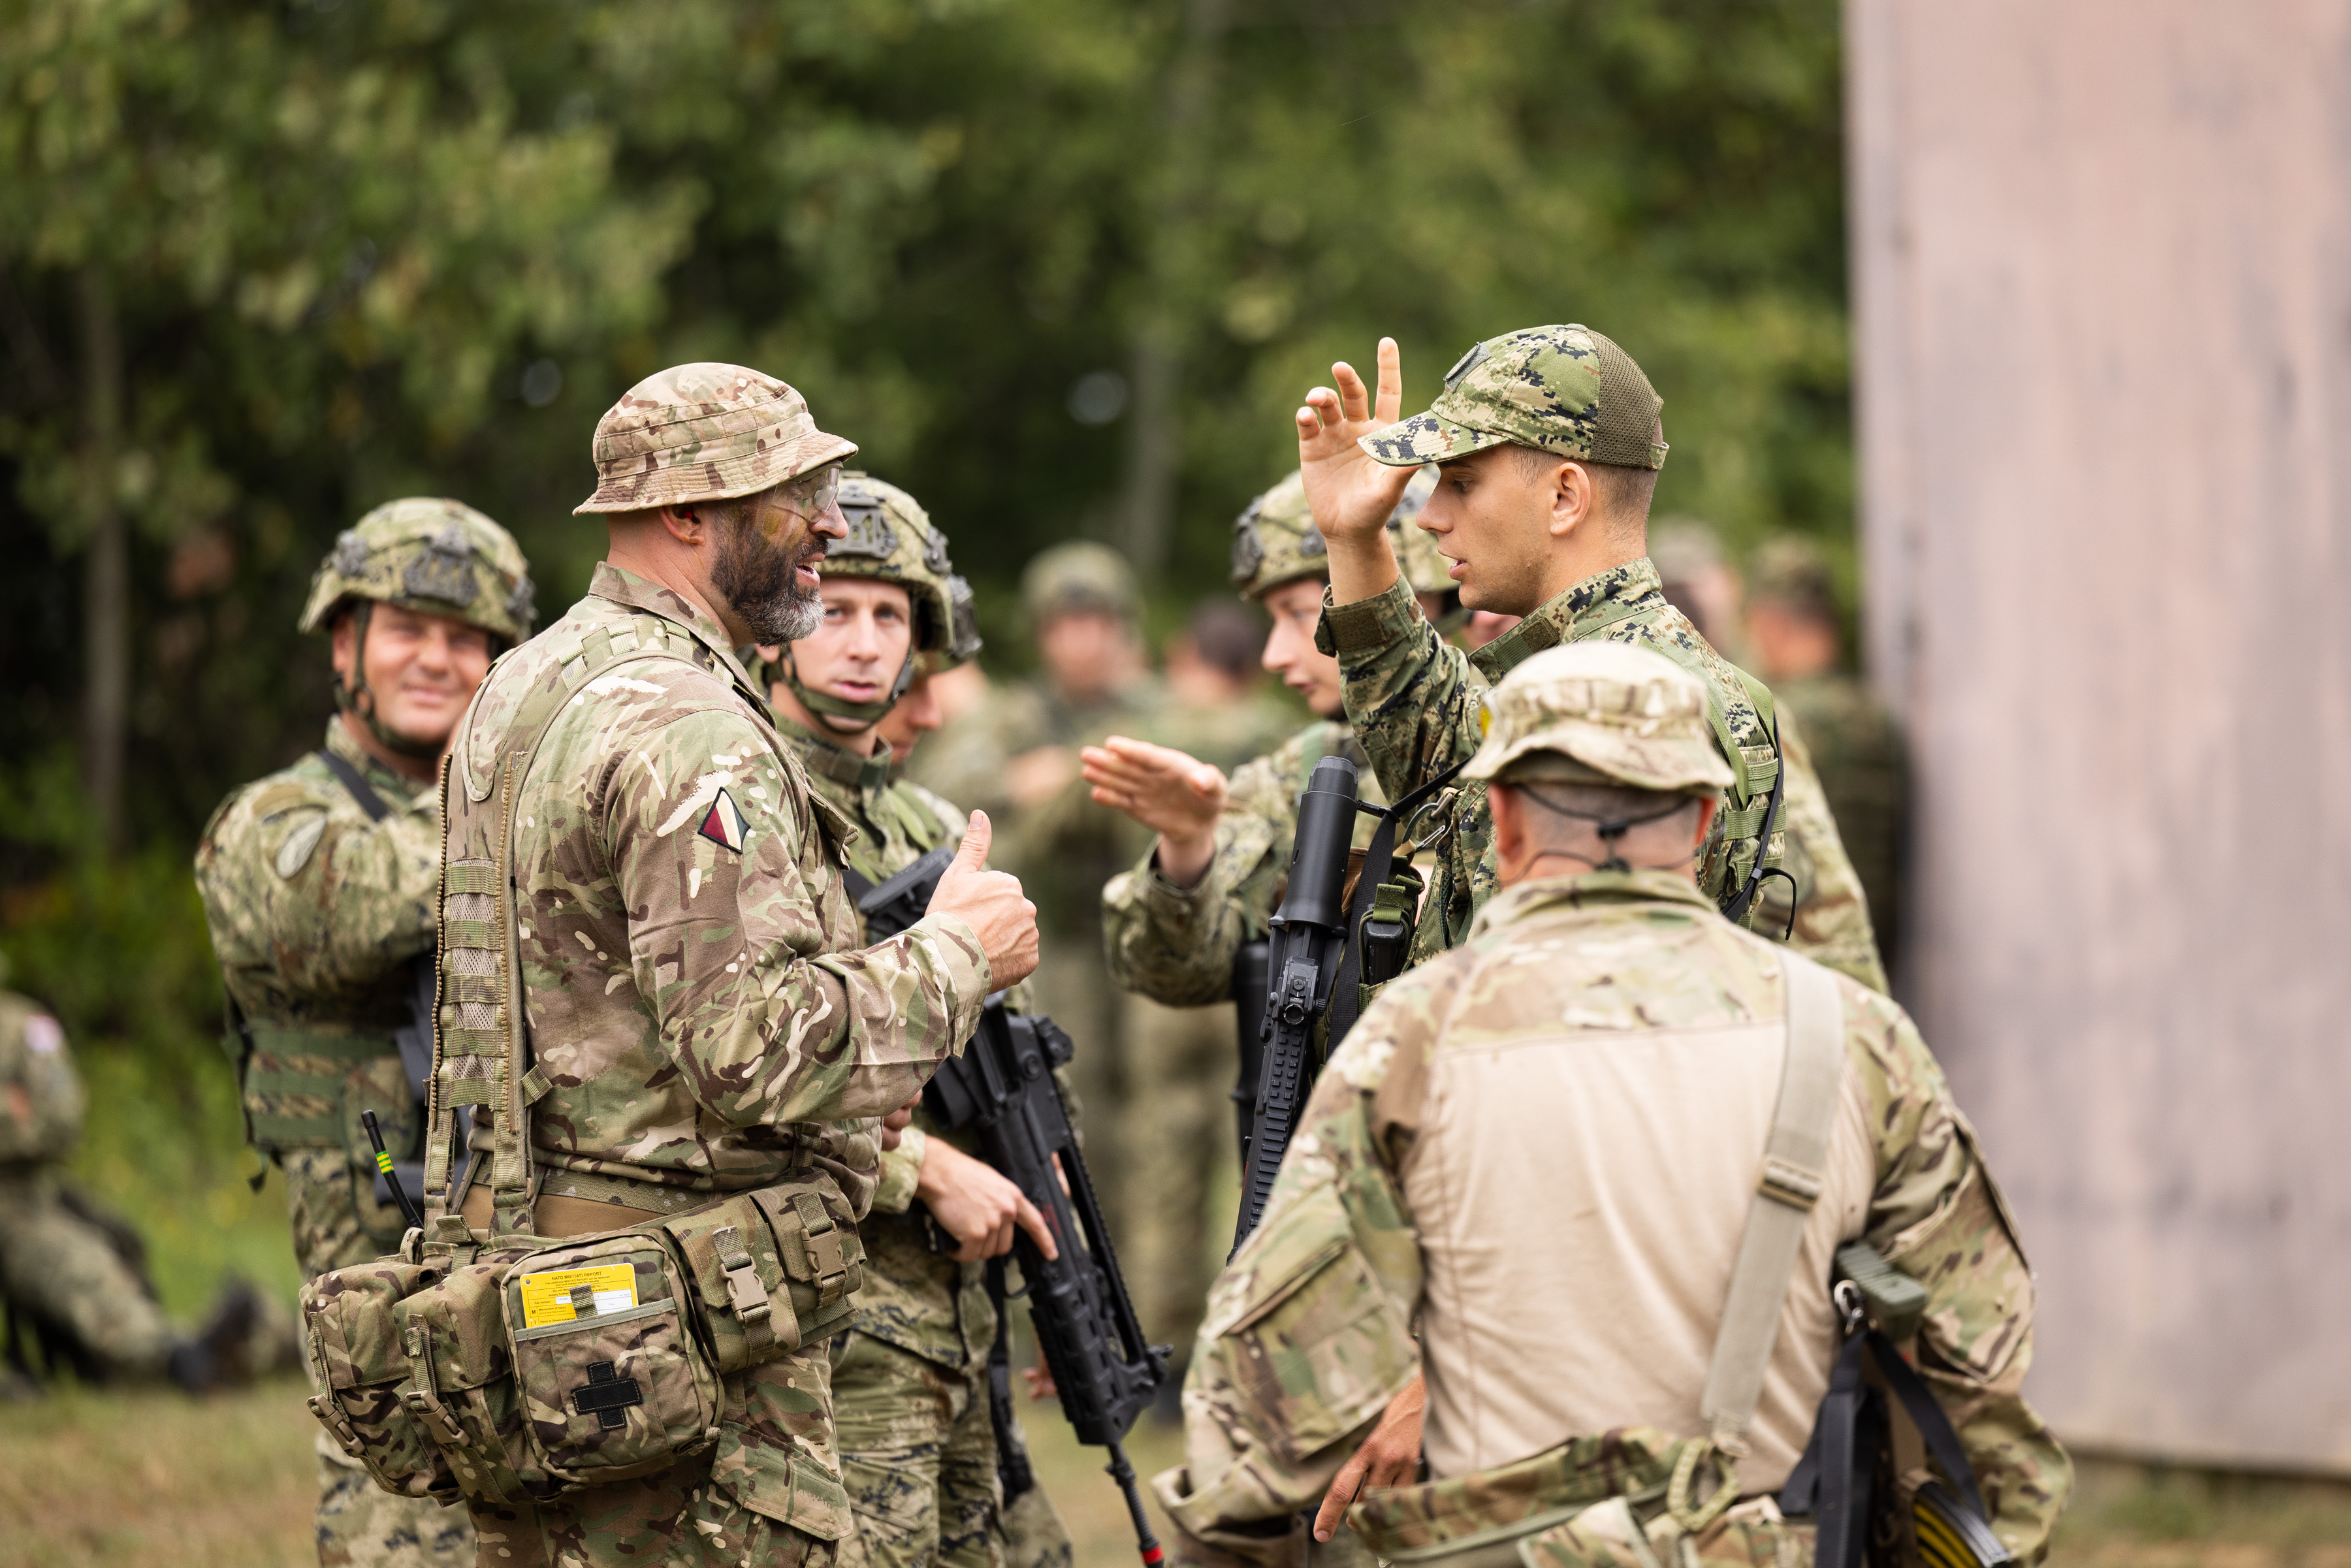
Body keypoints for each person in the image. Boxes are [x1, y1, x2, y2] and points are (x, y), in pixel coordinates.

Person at [1151, 641, 2070, 1566]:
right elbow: (1980, 1388)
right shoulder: (1858, 1038)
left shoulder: (1409, 1043)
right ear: (1708, 818)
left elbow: (1261, 1408)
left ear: (1502, 819)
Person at [446, 363, 1038, 1568]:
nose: (830, 523)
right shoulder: (689, 725)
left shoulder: (524, 685)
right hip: (676, 1321)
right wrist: (959, 954)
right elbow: (752, 1050)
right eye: (796, 494)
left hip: (534, 1302)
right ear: (685, 513)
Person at [1291, 327, 1889, 991]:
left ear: (1565, 497)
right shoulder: (1616, 669)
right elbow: (1436, 747)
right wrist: (1352, 539)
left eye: (1461, 482)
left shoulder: (1615, 701)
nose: (1429, 515)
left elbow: (1544, 1013)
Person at [195, 495, 534, 1567]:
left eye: (467, 638)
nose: (437, 659)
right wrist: (503, 800)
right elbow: (338, 917)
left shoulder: (527, 815)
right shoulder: (274, 822)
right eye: (407, 630)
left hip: (540, 1274)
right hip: (383, 1334)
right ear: (346, 645)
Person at [1084, 470, 1449, 1430]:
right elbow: (1163, 961)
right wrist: (1189, 848)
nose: (1281, 654)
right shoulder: (1317, 762)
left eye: (1301, 612)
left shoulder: (1535, 733)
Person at [756, 470, 1074, 1568]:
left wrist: (1053, 1230)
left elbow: (1004, 1052)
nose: (864, 642)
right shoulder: (739, 799)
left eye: (890, 616)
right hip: (824, 1322)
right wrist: (920, 1168)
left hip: (956, 1313)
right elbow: (730, 1056)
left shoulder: (930, 818)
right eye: (835, 610)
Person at [909, 543, 1161, 1247]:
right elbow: (943, 791)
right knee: (1068, 1118)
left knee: (1154, 1131)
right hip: (1055, 947)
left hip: (1141, 949)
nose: (1083, 642)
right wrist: (1031, 779)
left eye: (1098, 623)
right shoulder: (1013, 717)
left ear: (1123, 629)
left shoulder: (1155, 708)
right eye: (1065, 625)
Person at [0, 987, 276, 1395]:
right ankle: (185, 1354)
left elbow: (62, 1116)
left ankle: (245, 1339)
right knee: (78, 1271)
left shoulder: (20, 1026)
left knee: (103, 1260)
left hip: (28, 1196)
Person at [1745, 535, 1908, 974]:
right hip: (1869, 959)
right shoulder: (1873, 717)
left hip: (1802, 964)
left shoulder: (1781, 722)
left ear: (1772, 625)